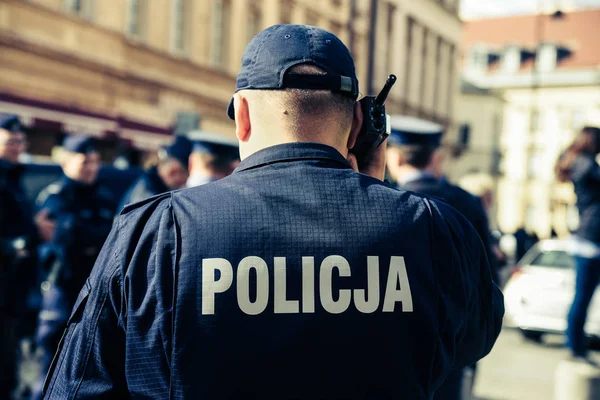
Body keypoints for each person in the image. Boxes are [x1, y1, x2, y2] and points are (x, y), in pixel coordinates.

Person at [43, 25, 503, 399]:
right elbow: (473, 339)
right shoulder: (435, 229)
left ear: (242, 115)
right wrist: (378, 196)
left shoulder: (157, 230)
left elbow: (80, 385)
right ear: (359, 123)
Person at [385, 115, 499, 400]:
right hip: (454, 352)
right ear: (436, 159)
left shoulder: (383, 201)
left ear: (395, 159)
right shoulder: (466, 204)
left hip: (397, 355)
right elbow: (487, 288)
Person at [31, 135, 116, 399]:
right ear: (66, 162)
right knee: (52, 359)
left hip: (95, 290)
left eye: (95, 161)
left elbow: (113, 237)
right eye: (84, 162)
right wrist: (89, 236)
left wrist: (84, 234)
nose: (91, 167)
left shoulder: (104, 197)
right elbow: (62, 239)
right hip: (63, 289)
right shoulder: (56, 197)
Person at [0, 114, 49, 399]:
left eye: (21, 140)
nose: (18, 146)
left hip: (15, 290)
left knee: (11, 365)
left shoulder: (14, 177)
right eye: (11, 141)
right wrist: (28, 237)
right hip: (4, 287)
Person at [556, 126, 600, 360]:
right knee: (582, 296)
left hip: (590, 237)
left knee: (583, 296)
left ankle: (576, 345)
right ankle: (574, 346)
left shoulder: (583, 163)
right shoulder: (585, 165)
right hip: (590, 239)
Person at [118, 135, 192, 209]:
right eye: (186, 174)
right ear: (172, 172)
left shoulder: (150, 187)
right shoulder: (147, 196)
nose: (185, 182)